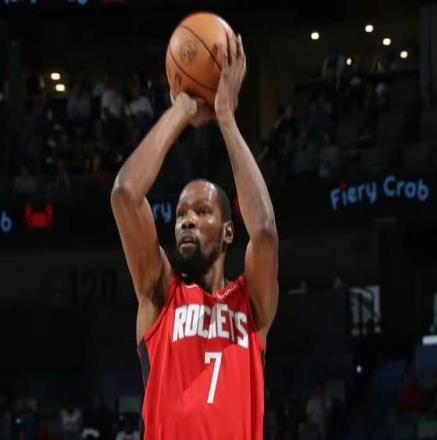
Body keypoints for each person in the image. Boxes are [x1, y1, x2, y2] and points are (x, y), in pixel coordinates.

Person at [111, 32, 279, 440]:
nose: (187, 220)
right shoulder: (160, 293)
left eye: (202, 212)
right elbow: (125, 194)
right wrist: (183, 109)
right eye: (181, 214)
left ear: (227, 232)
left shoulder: (250, 304)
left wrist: (226, 118)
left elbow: (264, 231)